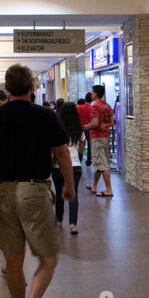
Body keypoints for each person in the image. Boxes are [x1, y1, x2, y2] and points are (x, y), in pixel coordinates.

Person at [0, 64, 74, 298]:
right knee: (49, 257)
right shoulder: (45, 115)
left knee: (13, 262)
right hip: (34, 188)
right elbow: (62, 152)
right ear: (32, 87)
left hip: (3, 191)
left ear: (6, 89)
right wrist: (68, 184)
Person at [54, 102, 83, 235]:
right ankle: (73, 224)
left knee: (59, 193)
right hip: (75, 165)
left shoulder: (57, 128)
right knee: (73, 193)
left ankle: (59, 220)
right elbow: (82, 146)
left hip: (57, 166)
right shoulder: (79, 129)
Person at [85, 85, 115, 197]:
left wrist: (85, 127)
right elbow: (111, 122)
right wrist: (105, 125)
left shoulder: (95, 107)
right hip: (105, 137)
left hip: (97, 138)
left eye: (92, 92)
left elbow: (95, 124)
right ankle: (94, 185)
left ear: (96, 93)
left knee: (102, 164)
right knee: (99, 163)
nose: (91, 94)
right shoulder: (107, 106)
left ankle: (108, 189)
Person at [76, 93, 94, 168]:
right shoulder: (92, 108)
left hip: (80, 128)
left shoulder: (78, 107)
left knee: (81, 144)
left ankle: (79, 158)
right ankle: (89, 161)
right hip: (89, 128)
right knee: (90, 145)